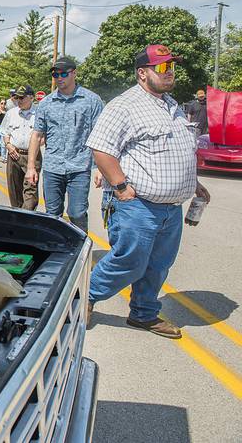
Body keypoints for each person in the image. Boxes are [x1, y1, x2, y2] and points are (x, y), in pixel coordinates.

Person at [85, 44, 211, 338]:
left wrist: (193, 183)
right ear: (142, 73)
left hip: (170, 207)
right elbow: (101, 149)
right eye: (163, 67)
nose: (170, 73)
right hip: (136, 204)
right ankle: (84, 297)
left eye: (172, 67)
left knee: (158, 265)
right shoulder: (124, 105)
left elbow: (179, 150)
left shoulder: (173, 105)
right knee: (130, 261)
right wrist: (119, 185)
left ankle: (144, 314)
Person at [25, 57, 104, 233]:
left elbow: (100, 136)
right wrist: (31, 167)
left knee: (77, 213)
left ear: (74, 73)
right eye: (55, 74)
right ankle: (55, 250)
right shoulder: (46, 103)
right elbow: (37, 135)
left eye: (63, 74)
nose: (59, 78)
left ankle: (79, 250)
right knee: (52, 214)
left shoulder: (91, 100)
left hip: (79, 167)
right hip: (53, 167)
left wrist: (101, 168)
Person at [1, 86, 41, 209]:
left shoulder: (39, 113)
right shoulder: (11, 113)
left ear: (31, 98)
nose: (19, 100)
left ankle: (26, 216)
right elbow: (4, 132)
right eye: (17, 97)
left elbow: (44, 135)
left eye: (22, 97)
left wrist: (40, 141)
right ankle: (18, 217)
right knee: (14, 192)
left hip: (32, 156)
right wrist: (8, 145)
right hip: (14, 155)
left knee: (30, 193)